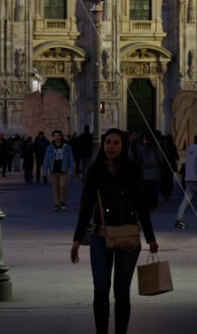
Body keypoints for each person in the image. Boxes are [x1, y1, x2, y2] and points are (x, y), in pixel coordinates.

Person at [71, 128, 158, 334]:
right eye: (108, 142)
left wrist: (151, 238)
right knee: (100, 288)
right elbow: (86, 206)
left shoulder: (133, 170)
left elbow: (142, 206)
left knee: (121, 291)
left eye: (116, 142)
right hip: (101, 236)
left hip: (128, 237)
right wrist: (77, 239)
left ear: (123, 145)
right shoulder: (95, 171)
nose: (111, 146)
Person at [43, 130, 75, 210]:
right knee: (55, 187)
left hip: (63, 171)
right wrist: (45, 171)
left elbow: (71, 159)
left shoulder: (67, 147)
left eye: (58, 135)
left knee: (62, 186)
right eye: (55, 136)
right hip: (53, 170)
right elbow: (46, 160)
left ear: (61, 136)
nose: (57, 137)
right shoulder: (49, 148)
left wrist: (72, 171)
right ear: (53, 137)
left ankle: (63, 202)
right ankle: (57, 204)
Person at [138, 133, 160, 210]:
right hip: (154, 173)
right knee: (153, 190)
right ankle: (153, 204)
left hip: (145, 173)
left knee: (146, 191)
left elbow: (139, 158)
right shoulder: (155, 148)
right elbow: (160, 159)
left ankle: (148, 205)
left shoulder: (142, 148)